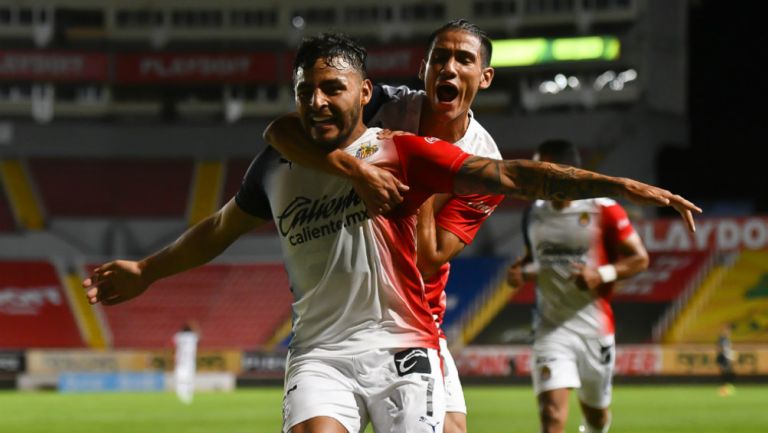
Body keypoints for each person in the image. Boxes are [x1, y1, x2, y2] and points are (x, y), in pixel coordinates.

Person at [84, 33, 700, 433]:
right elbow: (229, 212)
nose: (318, 102)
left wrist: (615, 185)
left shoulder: (413, 152)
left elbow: (512, 177)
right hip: (321, 351)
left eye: (332, 89)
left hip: (410, 335)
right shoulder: (288, 155)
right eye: (307, 91)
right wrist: (145, 271)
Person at [264, 19, 503, 433]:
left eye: (463, 59)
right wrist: (358, 171)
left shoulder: (484, 161)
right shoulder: (385, 106)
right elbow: (282, 132)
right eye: (439, 58)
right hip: (339, 321)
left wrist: (421, 167)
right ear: (423, 68)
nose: (448, 68)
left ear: (484, 77)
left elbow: (428, 259)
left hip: (415, 319)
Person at [506, 139, 652, 433]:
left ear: (566, 171)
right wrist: (520, 271)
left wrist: (602, 274)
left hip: (593, 330)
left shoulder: (604, 210)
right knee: (551, 415)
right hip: (551, 329)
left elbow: (640, 259)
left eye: (541, 170)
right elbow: (537, 262)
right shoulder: (533, 213)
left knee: (596, 417)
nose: (535, 177)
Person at [173, 321, 199, 404]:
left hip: (181, 360)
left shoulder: (179, 336)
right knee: (190, 378)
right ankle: (189, 394)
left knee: (180, 378)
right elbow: (199, 336)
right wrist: (194, 326)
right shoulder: (193, 336)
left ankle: (180, 393)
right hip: (190, 360)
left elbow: (174, 342)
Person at [716, 323, 736, 396]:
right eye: (727, 331)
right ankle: (724, 389)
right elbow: (719, 348)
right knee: (724, 373)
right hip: (723, 357)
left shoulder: (727, 340)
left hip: (726, 358)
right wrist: (722, 356)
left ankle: (726, 388)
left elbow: (729, 349)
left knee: (728, 373)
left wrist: (731, 356)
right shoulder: (722, 339)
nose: (729, 332)